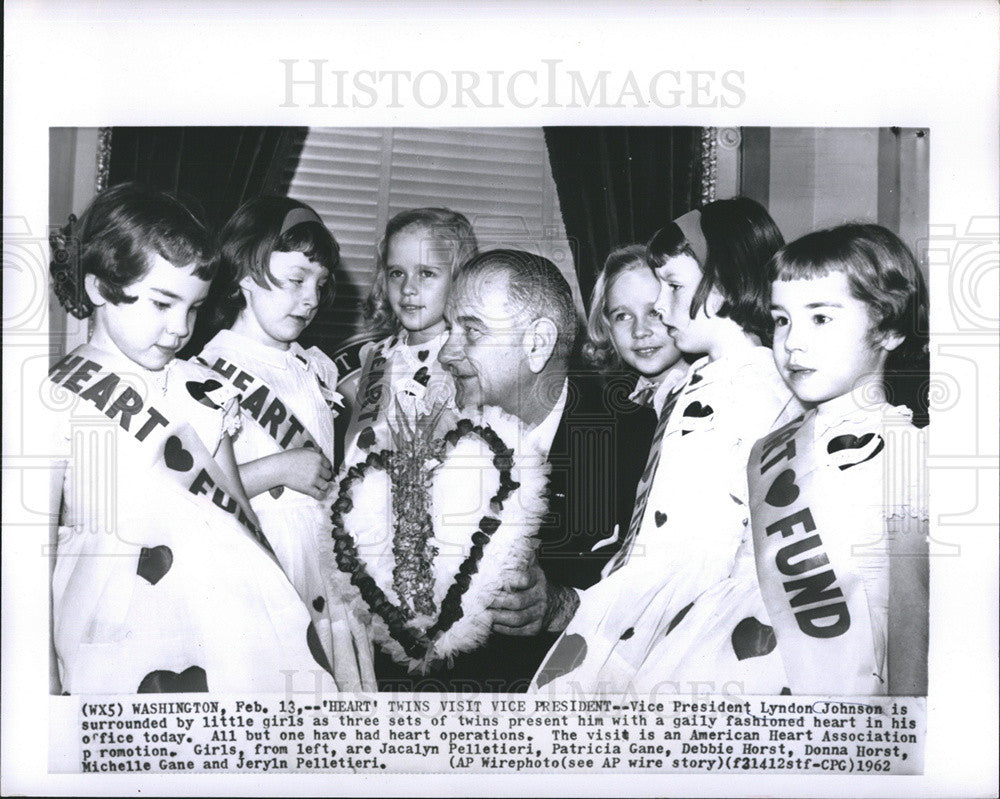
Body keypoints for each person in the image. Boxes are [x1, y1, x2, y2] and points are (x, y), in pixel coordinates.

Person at [47, 183, 337, 694]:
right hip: (113, 624)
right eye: (161, 304)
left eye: (193, 308)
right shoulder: (58, 397)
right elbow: (31, 553)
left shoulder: (208, 390)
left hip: (230, 621)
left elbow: (240, 515)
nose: (179, 329)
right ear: (98, 288)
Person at [630, 223, 930, 696]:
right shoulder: (770, 445)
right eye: (783, 319)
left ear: (889, 328)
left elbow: (914, 618)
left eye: (821, 319)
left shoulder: (907, 453)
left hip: (838, 688)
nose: (792, 343)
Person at [530, 197, 793, 693]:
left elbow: (707, 544)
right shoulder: (700, 384)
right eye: (622, 315)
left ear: (725, 280)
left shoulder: (757, 393)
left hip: (693, 613)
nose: (663, 313)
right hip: (639, 593)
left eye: (672, 289)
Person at [196, 196, 375, 691]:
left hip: (324, 559)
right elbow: (194, 490)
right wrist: (278, 469)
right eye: (296, 280)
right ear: (244, 274)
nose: (311, 297)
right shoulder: (208, 372)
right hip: (264, 557)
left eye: (319, 284)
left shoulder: (314, 366)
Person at [341, 208, 478, 469]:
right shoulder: (377, 355)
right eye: (396, 273)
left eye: (426, 273)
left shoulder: (466, 361)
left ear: (459, 278)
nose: (407, 288)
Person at [583, 245, 689, 539]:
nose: (640, 330)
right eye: (622, 316)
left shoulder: (711, 398)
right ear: (606, 324)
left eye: (654, 312)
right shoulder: (610, 407)